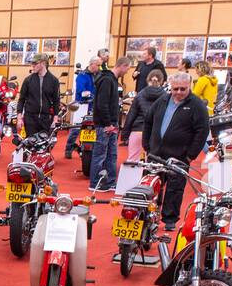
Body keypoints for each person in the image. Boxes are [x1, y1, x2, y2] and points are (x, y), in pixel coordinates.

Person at [142, 72, 209, 231]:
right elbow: (148, 121)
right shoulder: (162, 100)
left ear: (189, 86)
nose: (178, 92)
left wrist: (190, 155)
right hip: (155, 153)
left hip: (179, 155)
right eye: (175, 89)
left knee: (175, 188)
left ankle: (170, 219)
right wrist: (146, 145)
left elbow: (202, 131)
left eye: (182, 89)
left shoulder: (197, 105)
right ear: (170, 87)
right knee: (149, 185)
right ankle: (145, 215)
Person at [91, 55, 132, 192]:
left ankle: (110, 181)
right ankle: (95, 182)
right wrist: (108, 123)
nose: (127, 72)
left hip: (111, 123)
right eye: (128, 68)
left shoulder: (112, 80)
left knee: (111, 154)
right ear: (123, 66)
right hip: (105, 124)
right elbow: (102, 104)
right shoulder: (107, 80)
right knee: (100, 154)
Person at [121, 69, 165, 162]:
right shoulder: (166, 96)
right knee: (153, 161)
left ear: (147, 80)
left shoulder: (140, 95)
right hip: (155, 132)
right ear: (161, 81)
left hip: (138, 129)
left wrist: (125, 134)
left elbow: (131, 115)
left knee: (133, 159)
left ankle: (132, 177)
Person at [17, 54, 61, 137]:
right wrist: (19, 118)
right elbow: (21, 99)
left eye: (35, 63)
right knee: (30, 145)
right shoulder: (28, 80)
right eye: (32, 64)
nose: (32, 66)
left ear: (43, 63)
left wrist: (55, 118)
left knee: (45, 146)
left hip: (46, 119)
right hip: (30, 118)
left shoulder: (54, 81)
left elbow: (56, 100)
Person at [65, 58, 99, 158]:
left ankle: (91, 150)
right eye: (97, 65)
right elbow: (81, 90)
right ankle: (68, 148)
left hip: (94, 105)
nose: (99, 67)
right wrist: (89, 94)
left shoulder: (98, 75)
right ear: (92, 64)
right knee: (76, 128)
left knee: (95, 128)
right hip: (82, 105)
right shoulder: (82, 75)